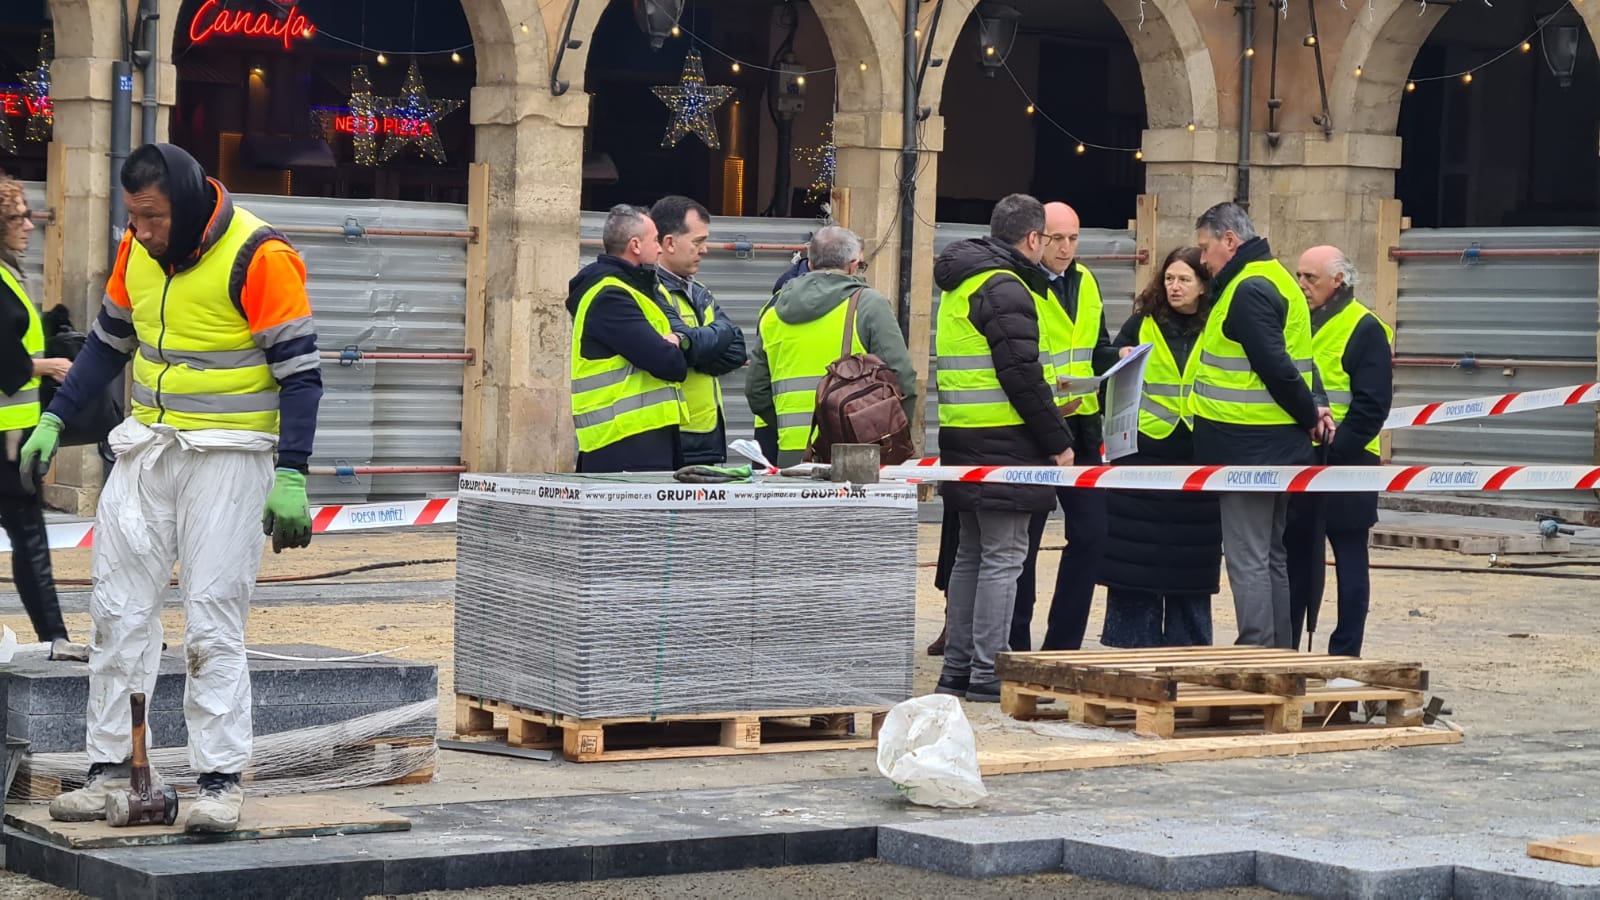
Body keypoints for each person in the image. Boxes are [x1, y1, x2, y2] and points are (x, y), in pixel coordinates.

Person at [23, 143, 322, 833]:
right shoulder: (137, 251)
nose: (142, 230)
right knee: (116, 609)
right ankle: (107, 771)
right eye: (134, 217)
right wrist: (54, 417)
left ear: (184, 206)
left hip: (230, 459)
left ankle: (218, 781)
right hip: (151, 448)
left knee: (212, 618)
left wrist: (292, 472)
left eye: (153, 217)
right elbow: (106, 343)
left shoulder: (259, 257)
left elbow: (301, 375)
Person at [932, 193, 1072, 703]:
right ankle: (990, 671)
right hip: (1006, 442)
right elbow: (1019, 372)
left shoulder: (963, 279)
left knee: (972, 555)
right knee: (1004, 558)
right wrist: (1058, 440)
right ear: (1033, 238)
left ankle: (958, 669)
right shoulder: (1005, 285)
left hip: (963, 436)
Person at [1189, 201, 1332, 650]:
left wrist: (1310, 414)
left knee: (1249, 557)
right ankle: (1277, 651)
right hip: (1272, 443)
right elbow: (1295, 364)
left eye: (1205, 247)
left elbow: (1276, 367)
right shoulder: (1276, 280)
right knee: (1270, 555)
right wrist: (1312, 411)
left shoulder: (1248, 288)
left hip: (1246, 444)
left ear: (1229, 240)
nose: (1201, 260)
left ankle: (1256, 650)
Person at [1098, 247, 1222, 647]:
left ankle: (1189, 655)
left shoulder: (1220, 325)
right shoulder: (1142, 322)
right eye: (1169, 278)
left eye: (1185, 279)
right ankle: (1130, 650)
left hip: (1198, 456)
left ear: (1203, 286)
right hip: (1142, 456)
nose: (1175, 286)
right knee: (1135, 566)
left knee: (1191, 569)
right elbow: (1102, 359)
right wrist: (1117, 353)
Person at [1286, 245, 1393, 655]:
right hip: (1302, 458)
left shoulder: (1364, 327)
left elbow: (1372, 406)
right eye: (1299, 276)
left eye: (1310, 278)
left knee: (1350, 560)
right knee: (1297, 558)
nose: (1302, 285)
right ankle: (1287, 651)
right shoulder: (1296, 323)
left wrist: (1338, 448)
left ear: (1339, 281)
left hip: (1350, 460)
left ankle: (1344, 656)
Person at [0, 175, 85, 662]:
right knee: (29, 538)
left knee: (29, 536)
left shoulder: (11, 273)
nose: (29, 226)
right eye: (17, 218)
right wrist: (44, 365)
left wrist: (50, 332)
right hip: (6, 439)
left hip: (14, 435)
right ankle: (54, 636)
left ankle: (55, 635)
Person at [745, 226, 916, 467]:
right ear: (852, 265)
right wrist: (889, 434)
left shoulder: (772, 311)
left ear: (811, 264)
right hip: (856, 452)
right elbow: (903, 379)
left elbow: (756, 391)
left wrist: (791, 427)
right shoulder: (868, 305)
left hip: (793, 453)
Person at [1030, 201, 1119, 652]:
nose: (1066, 248)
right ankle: (1013, 647)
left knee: (1091, 534)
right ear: (1035, 237)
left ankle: (1061, 646)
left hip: (1082, 427)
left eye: (1073, 238)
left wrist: (1117, 360)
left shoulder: (1086, 281)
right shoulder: (1020, 283)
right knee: (1023, 542)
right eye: (1056, 238)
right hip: (1031, 429)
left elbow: (1096, 346)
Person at [566, 204, 688, 473]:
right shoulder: (611, 295)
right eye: (655, 240)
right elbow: (668, 363)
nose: (660, 248)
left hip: (635, 440)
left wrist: (672, 343)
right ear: (635, 245)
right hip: (624, 443)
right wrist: (673, 345)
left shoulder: (630, 289)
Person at [649, 196, 746, 466]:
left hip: (708, 434)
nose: (705, 250)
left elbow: (737, 350)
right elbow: (679, 352)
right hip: (675, 434)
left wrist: (694, 344)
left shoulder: (700, 291)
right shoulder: (652, 291)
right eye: (697, 242)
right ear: (669, 243)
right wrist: (705, 341)